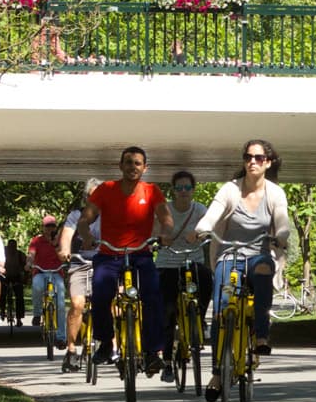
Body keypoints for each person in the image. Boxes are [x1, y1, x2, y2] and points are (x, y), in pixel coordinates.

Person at [196, 139, 292, 402]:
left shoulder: (275, 193)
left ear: (268, 163)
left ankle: (261, 335)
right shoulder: (231, 189)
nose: (252, 161)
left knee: (263, 271)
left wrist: (281, 236)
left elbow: (282, 221)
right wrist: (203, 228)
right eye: (248, 157)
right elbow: (213, 214)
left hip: (259, 255)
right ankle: (218, 374)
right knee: (221, 311)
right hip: (229, 255)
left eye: (259, 158)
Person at [64, 147, 173, 374]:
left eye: (137, 163)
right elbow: (85, 219)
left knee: (153, 296)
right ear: (120, 166)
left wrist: (165, 233)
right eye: (128, 162)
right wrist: (86, 236)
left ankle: (152, 352)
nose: (133, 167)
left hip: (140, 253)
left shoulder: (151, 191)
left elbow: (166, 218)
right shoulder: (106, 189)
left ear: (145, 168)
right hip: (109, 253)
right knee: (100, 294)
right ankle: (105, 342)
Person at [155, 169, 213, 383]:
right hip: (168, 263)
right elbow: (154, 231)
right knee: (168, 313)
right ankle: (167, 363)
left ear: (193, 189)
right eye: (179, 188)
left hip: (192, 261)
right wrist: (162, 237)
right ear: (173, 190)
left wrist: (199, 234)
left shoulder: (200, 210)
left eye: (187, 187)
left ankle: (200, 319)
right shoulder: (165, 209)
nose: (183, 191)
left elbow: (209, 228)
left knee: (206, 278)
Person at [57, 179, 102, 369]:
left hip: (104, 263)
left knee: (112, 304)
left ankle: (112, 344)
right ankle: (71, 349)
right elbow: (67, 235)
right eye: (92, 196)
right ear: (86, 198)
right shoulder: (76, 215)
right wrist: (64, 250)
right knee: (77, 305)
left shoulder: (111, 215)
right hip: (80, 262)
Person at [27, 215, 68, 348]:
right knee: (37, 286)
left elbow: (65, 255)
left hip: (56, 272)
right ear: (43, 227)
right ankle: (37, 314)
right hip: (40, 271)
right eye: (47, 226)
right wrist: (29, 263)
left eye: (52, 226)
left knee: (60, 304)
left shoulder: (61, 240)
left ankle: (61, 338)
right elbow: (31, 254)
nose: (50, 229)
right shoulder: (36, 240)